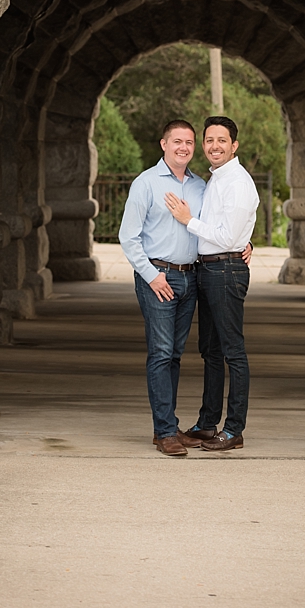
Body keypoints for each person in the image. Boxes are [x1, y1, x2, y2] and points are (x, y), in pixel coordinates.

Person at [162, 114, 259, 454]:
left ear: (234, 145)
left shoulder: (237, 181)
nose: (214, 146)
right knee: (211, 352)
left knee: (233, 352)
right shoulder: (216, 179)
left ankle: (234, 429)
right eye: (209, 140)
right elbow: (234, 232)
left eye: (222, 140)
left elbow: (228, 236)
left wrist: (189, 221)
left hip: (226, 271)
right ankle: (207, 423)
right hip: (210, 270)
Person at [116, 117, 205, 455]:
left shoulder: (199, 186)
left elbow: (214, 225)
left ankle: (168, 424)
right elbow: (129, 237)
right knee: (161, 353)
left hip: (190, 277)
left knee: (175, 355)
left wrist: (246, 243)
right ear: (164, 144)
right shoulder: (146, 183)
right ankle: (164, 431)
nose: (184, 147)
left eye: (189, 143)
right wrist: (151, 275)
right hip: (158, 278)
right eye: (177, 141)